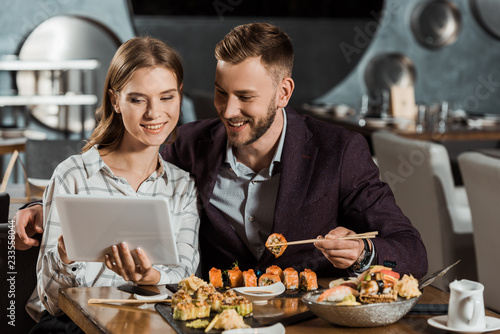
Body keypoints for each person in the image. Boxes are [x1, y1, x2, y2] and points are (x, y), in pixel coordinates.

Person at [15, 23, 427, 281]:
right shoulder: (187, 144)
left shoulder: (339, 151)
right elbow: (125, 172)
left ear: (283, 93)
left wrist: (363, 253)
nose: (228, 111)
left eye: (245, 97)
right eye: (220, 92)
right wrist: (44, 206)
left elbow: (410, 248)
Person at [25, 36, 200, 328]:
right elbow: (51, 301)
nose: (154, 113)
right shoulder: (73, 176)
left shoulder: (182, 186)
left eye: (166, 97)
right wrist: (65, 258)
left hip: (149, 326)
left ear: (180, 96)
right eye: (137, 99)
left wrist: (150, 278)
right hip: (76, 325)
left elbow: (184, 274)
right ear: (115, 100)